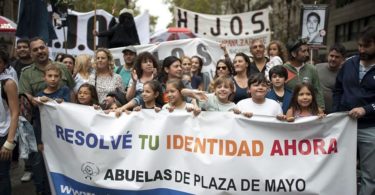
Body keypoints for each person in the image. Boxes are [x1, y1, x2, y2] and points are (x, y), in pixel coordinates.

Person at [18, 37, 74, 195]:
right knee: (39, 165)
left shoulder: (62, 67)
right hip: (39, 127)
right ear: (31, 53)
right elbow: (25, 96)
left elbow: (72, 91)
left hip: (63, 128)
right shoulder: (26, 73)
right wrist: (34, 100)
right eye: (35, 49)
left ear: (47, 48)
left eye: (41, 47)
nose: (39, 51)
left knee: (64, 163)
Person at [333, 26, 375, 195]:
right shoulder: (349, 63)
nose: (361, 50)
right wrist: (336, 114)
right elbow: (338, 90)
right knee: (339, 169)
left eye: (366, 46)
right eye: (359, 45)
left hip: (370, 128)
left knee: (369, 175)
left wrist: (366, 109)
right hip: (344, 126)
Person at [283, 38, 325, 109]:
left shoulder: (312, 69)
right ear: (293, 53)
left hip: (309, 112)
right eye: (303, 51)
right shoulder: (283, 69)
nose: (307, 54)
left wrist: (321, 107)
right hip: (288, 111)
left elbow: (317, 90)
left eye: (307, 51)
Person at [0, 49, 19, 195]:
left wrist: (9, 141)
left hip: (3, 135)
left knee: (2, 175)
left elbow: (15, 112)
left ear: (4, 65)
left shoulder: (8, 83)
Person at [316, 43, 346, 114]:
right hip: (316, 113)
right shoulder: (316, 68)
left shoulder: (345, 73)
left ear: (343, 59)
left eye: (337, 57)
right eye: (331, 56)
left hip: (334, 115)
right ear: (327, 56)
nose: (333, 59)